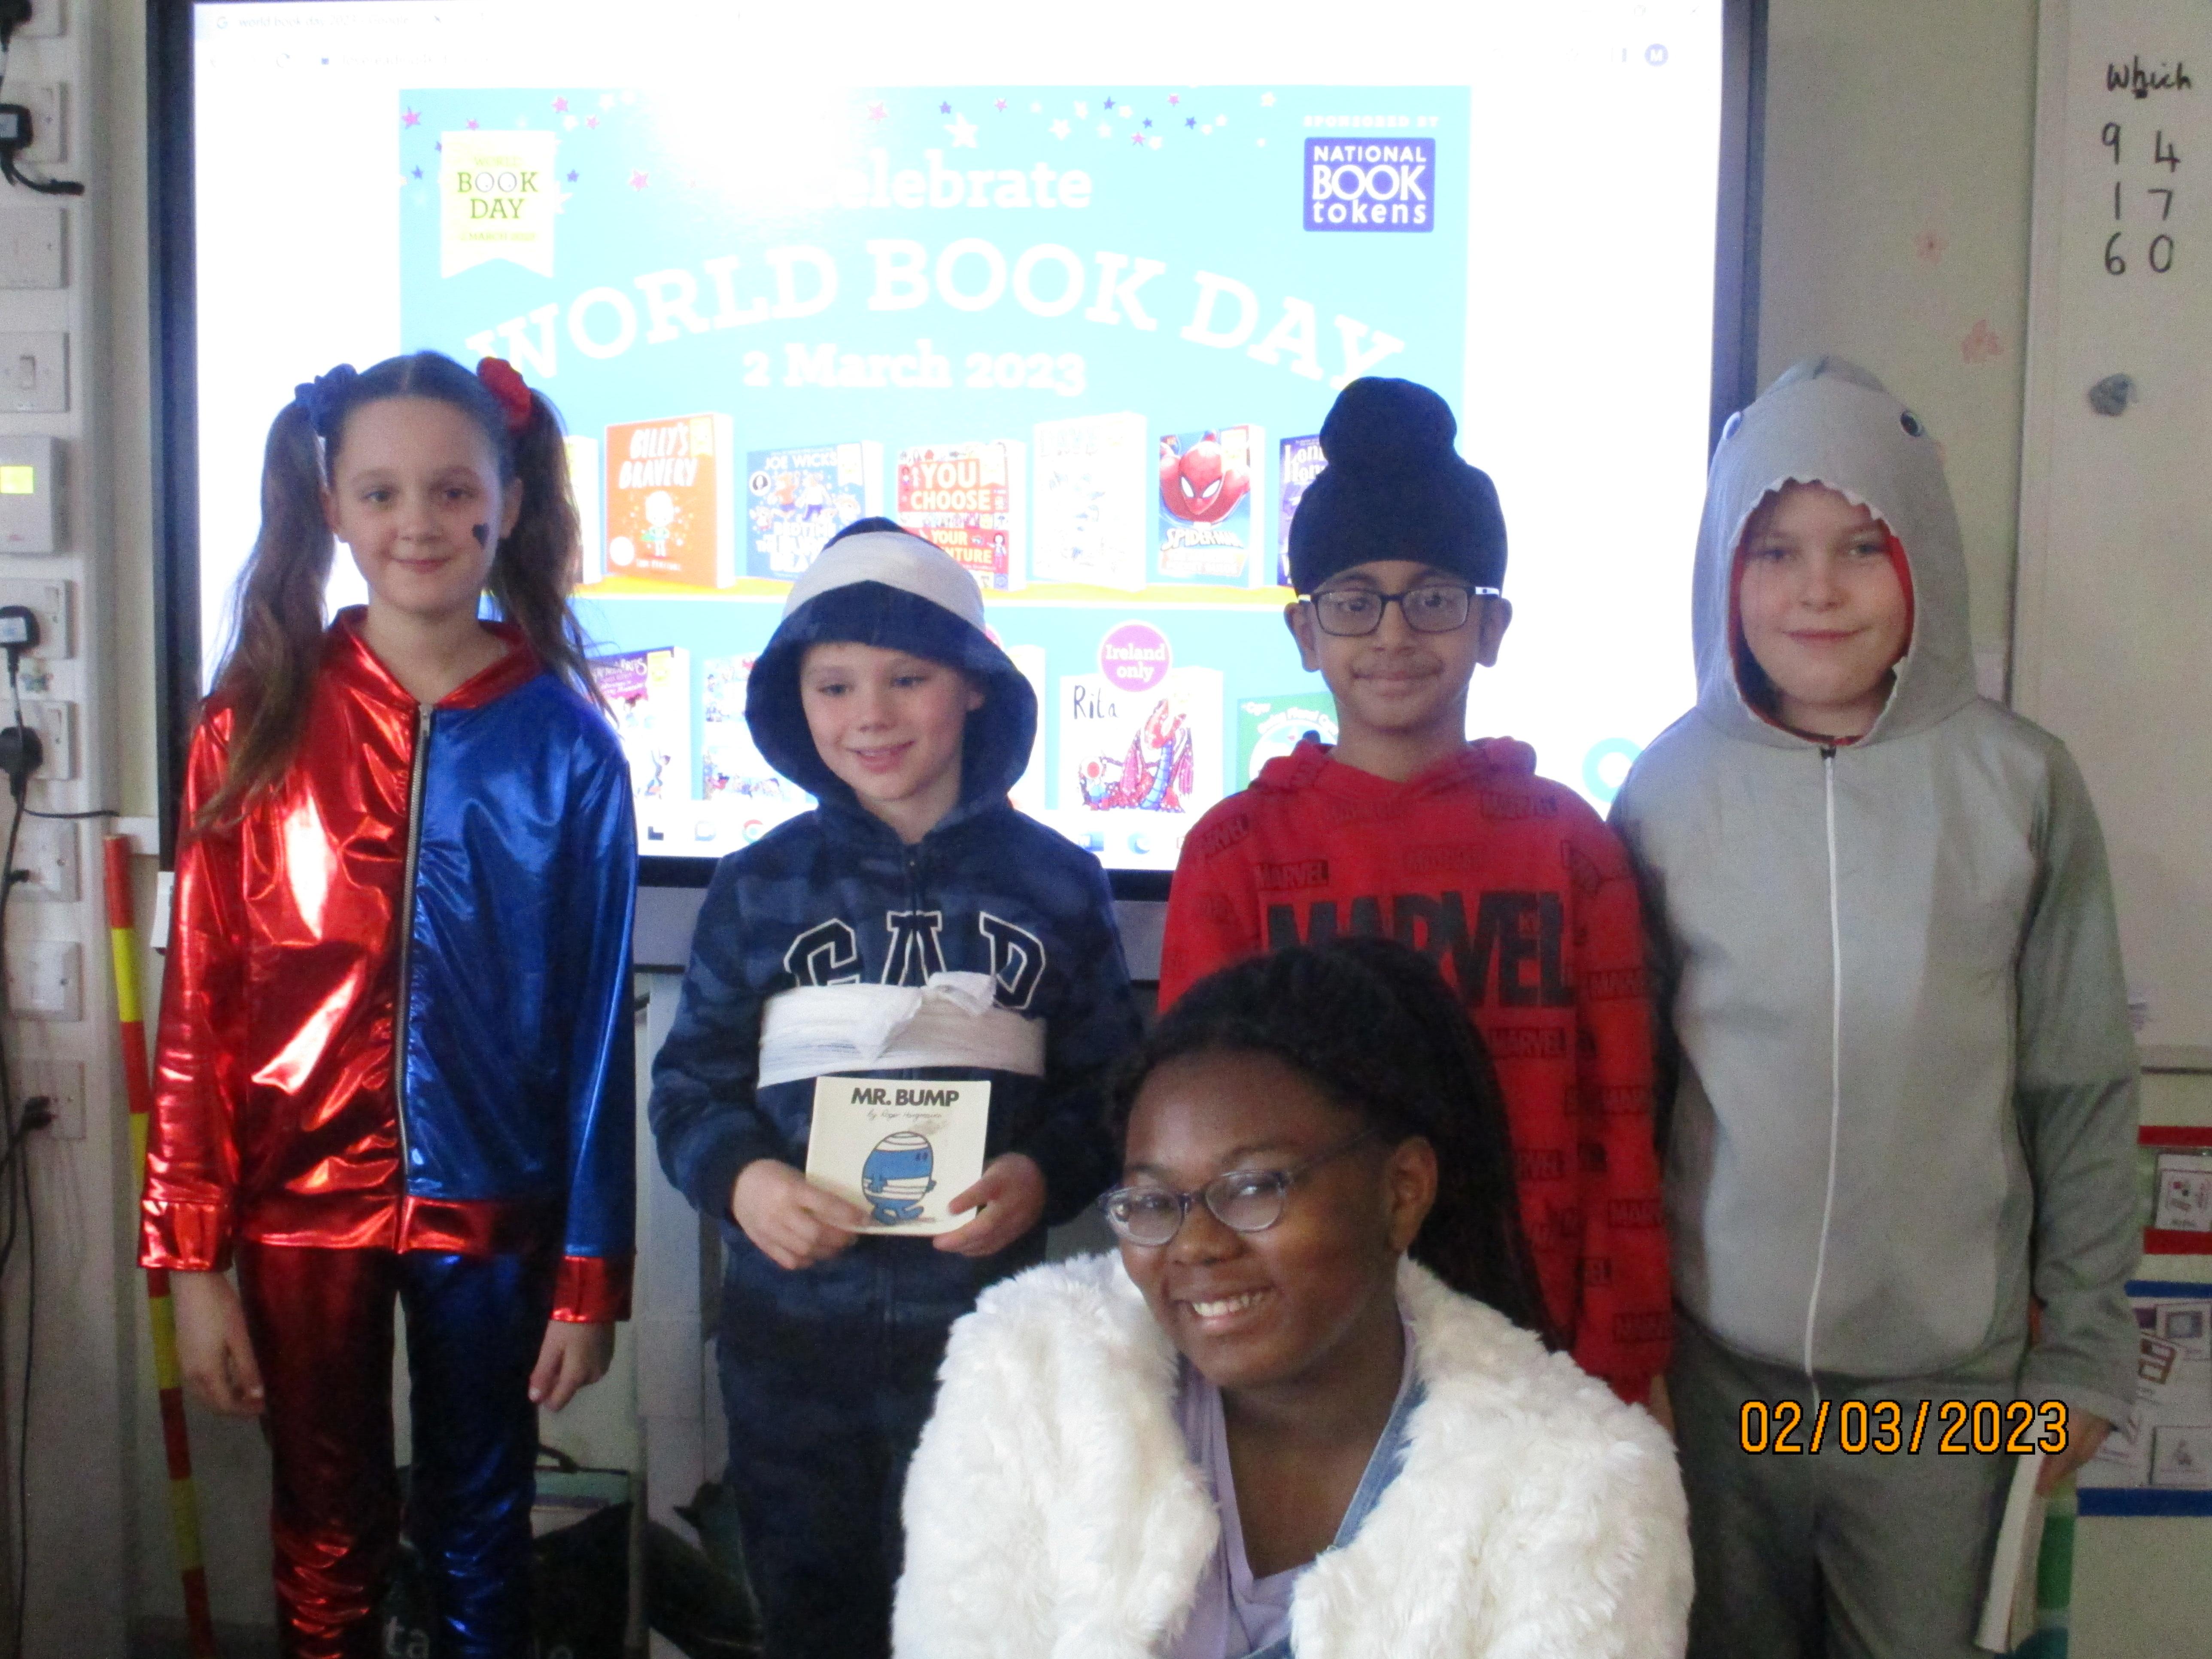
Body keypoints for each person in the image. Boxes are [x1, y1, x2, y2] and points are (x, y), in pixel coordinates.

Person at [1608, 357, 2140, 1658]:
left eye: (1861, 545)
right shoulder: (1666, 794)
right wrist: (1628, 1352)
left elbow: (2078, 1087)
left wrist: (2080, 1352)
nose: (1818, 590)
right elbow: (1631, 1096)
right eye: (1775, 551)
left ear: (1922, 563)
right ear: (1725, 572)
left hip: (1936, 1396)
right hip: (1719, 1382)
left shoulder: (2020, 787)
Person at [142, 352, 639, 1659]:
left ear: (508, 504)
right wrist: (191, 1263)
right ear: (334, 506)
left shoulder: (567, 744)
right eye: (381, 492)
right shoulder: (254, 724)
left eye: (452, 490)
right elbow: (197, 1012)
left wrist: (589, 1276)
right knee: (323, 1528)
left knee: (485, 1523)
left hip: (497, 1208)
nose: (418, 521)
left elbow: (598, 1033)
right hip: (299, 1206)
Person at [893, 938, 1691, 1659]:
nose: (1195, 1244)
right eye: (1153, 1202)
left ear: (1401, 1192)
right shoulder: (1029, 1377)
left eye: (1253, 1188)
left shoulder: (1582, 1488)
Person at [649, 520, 1143, 1658]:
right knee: (811, 1618)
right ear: (795, 700)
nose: (869, 714)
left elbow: (1115, 1094)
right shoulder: (757, 887)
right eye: (834, 686)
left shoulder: (1059, 885)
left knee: (979, 1616)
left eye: (906, 679)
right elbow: (687, 1091)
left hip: (985, 1348)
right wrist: (748, 1183)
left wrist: (1042, 1175)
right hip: (787, 1354)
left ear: (973, 686)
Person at [1158, 376, 1671, 1407]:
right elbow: (1186, 1144)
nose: (1393, 634)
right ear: (1305, 633)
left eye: (1433, 598)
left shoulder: (1569, 846)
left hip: (1530, 1345)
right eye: (1354, 601)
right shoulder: (1234, 853)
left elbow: (1622, 1131)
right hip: (1299, 1338)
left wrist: (1623, 1369)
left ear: (1491, 625)